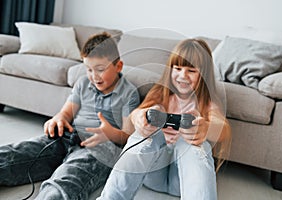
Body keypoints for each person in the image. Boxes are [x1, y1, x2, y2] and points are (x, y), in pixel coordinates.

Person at [0, 32, 140, 199]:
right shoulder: (83, 83)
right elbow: (66, 112)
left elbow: (127, 136)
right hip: (68, 136)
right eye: (89, 69)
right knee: (15, 154)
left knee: (67, 179)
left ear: (118, 66)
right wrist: (58, 119)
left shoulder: (129, 93)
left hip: (100, 147)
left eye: (100, 69)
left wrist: (110, 133)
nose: (94, 76)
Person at [98, 38, 231, 200]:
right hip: (153, 171)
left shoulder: (207, 104)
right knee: (146, 131)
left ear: (204, 74)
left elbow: (222, 128)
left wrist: (206, 128)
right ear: (170, 69)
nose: (183, 75)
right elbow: (135, 116)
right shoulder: (162, 95)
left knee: (194, 143)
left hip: (182, 178)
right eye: (178, 68)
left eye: (191, 70)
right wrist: (140, 117)